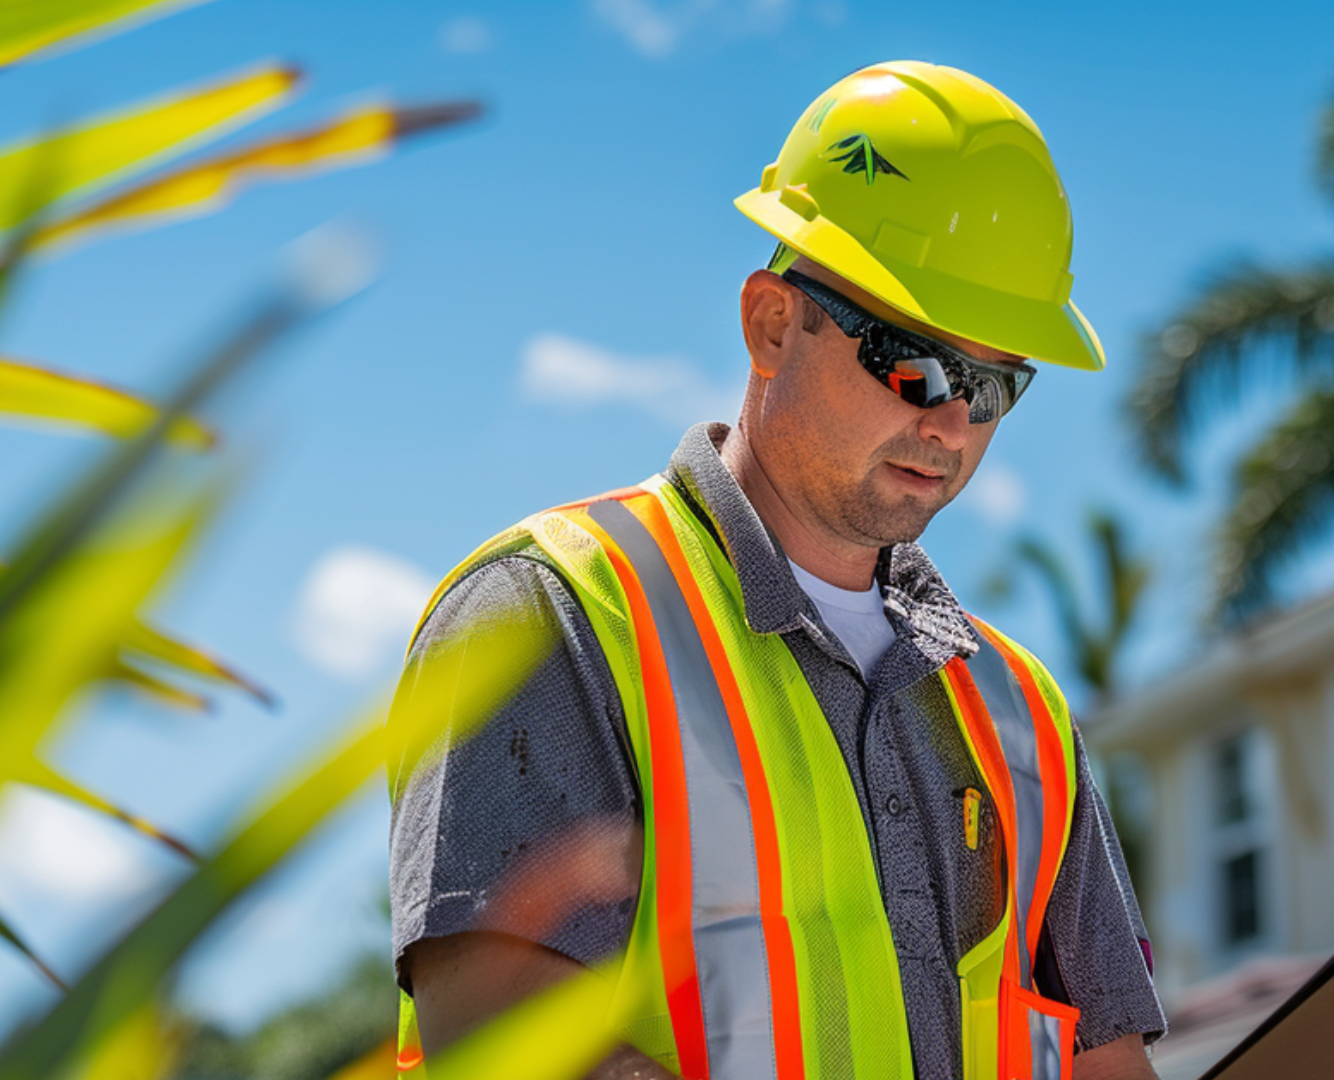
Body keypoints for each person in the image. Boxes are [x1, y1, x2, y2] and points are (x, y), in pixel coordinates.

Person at [387, 61, 1166, 1079]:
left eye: (992, 388)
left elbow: (1101, 1057)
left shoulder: (1018, 712)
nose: (948, 422)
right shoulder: (554, 611)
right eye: (915, 363)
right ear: (770, 325)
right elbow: (504, 1043)